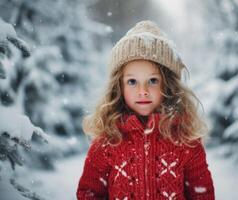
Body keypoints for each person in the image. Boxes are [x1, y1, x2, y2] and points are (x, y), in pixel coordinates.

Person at [76, 20, 215, 200]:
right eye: (132, 82)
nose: (143, 90)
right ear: (119, 87)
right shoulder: (107, 142)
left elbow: (202, 195)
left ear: (168, 85)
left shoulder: (185, 140)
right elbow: (89, 193)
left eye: (152, 80)